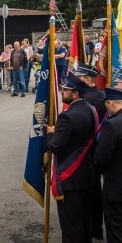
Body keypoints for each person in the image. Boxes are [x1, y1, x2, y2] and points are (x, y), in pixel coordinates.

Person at [47, 72, 97, 243]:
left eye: (65, 89)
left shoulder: (67, 116)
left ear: (75, 93)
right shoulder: (91, 110)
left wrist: (50, 134)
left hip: (71, 179)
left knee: (71, 227)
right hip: (87, 175)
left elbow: (55, 147)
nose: (62, 91)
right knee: (84, 222)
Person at [74, 62, 107, 240]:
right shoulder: (104, 97)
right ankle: (97, 227)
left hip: (84, 152)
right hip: (101, 149)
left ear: (88, 79)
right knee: (97, 190)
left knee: (86, 193)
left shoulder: (82, 101)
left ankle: (87, 227)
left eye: (79, 77)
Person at [94, 87, 122, 243]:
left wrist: (105, 172)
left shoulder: (111, 125)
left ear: (111, 103)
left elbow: (101, 158)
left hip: (116, 189)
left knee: (116, 231)